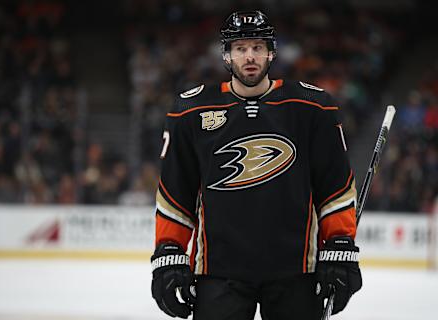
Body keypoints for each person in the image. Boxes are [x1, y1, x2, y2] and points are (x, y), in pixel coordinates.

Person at [151, 10, 362, 320]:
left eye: (258, 47)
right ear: (226, 55)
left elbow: (335, 188)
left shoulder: (312, 108)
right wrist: (169, 252)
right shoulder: (190, 112)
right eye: (240, 48)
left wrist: (340, 244)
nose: (249, 56)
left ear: (271, 52)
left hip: (296, 270)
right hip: (218, 271)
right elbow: (175, 193)